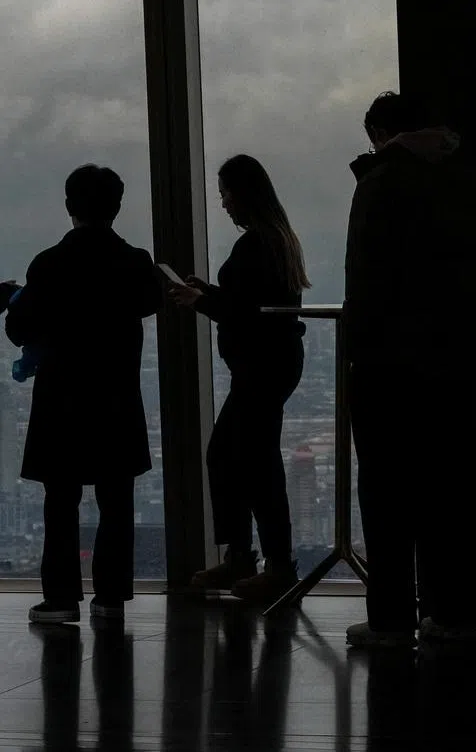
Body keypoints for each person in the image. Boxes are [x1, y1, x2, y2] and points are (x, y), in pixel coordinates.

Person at [343, 92, 476, 648]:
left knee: (387, 497)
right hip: (461, 362)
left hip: (390, 364)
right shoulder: (470, 181)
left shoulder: (383, 182)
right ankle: (455, 612)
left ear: (380, 133)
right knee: (452, 494)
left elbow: (367, 277)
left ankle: (391, 619)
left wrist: (359, 351)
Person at [5, 164, 162, 623]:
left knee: (61, 499)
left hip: (63, 398)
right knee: (116, 498)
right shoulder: (135, 261)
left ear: (70, 206)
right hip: (116, 397)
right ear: (116, 207)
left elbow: (21, 329)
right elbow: (150, 302)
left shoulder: (49, 263)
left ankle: (60, 598)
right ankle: (111, 595)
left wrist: (17, 301)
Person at [170, 154, 308, 604]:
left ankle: (263, 562)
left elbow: (245, 312)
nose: (224, 203)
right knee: (245, 458)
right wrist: (208, 292)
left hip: (260, 366)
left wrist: (201, 300)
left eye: (226, 193)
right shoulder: (276, 240)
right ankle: (254, 559)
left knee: (243, 461)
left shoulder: (255, 244)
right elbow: (255, 302)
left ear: (243, 193)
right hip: (274, 362)